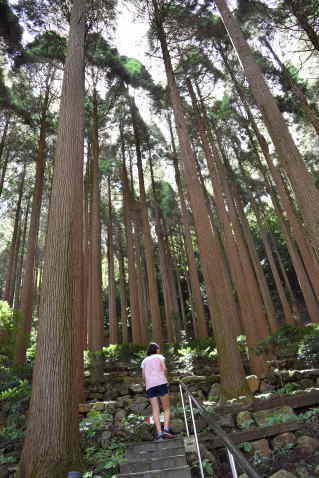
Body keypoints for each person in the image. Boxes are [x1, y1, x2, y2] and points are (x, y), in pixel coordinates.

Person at [141, 342, 176, 441]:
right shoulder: (160, 357)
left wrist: (147, 383)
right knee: (166, 408)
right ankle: (166, 429)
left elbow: (143, 376)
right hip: (161, 383)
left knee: (155, 410)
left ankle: (160, 434)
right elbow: (164, 369)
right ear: (156, 350)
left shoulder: (144, 361)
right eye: (158, 349)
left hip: (150, 386)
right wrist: (166, 379)